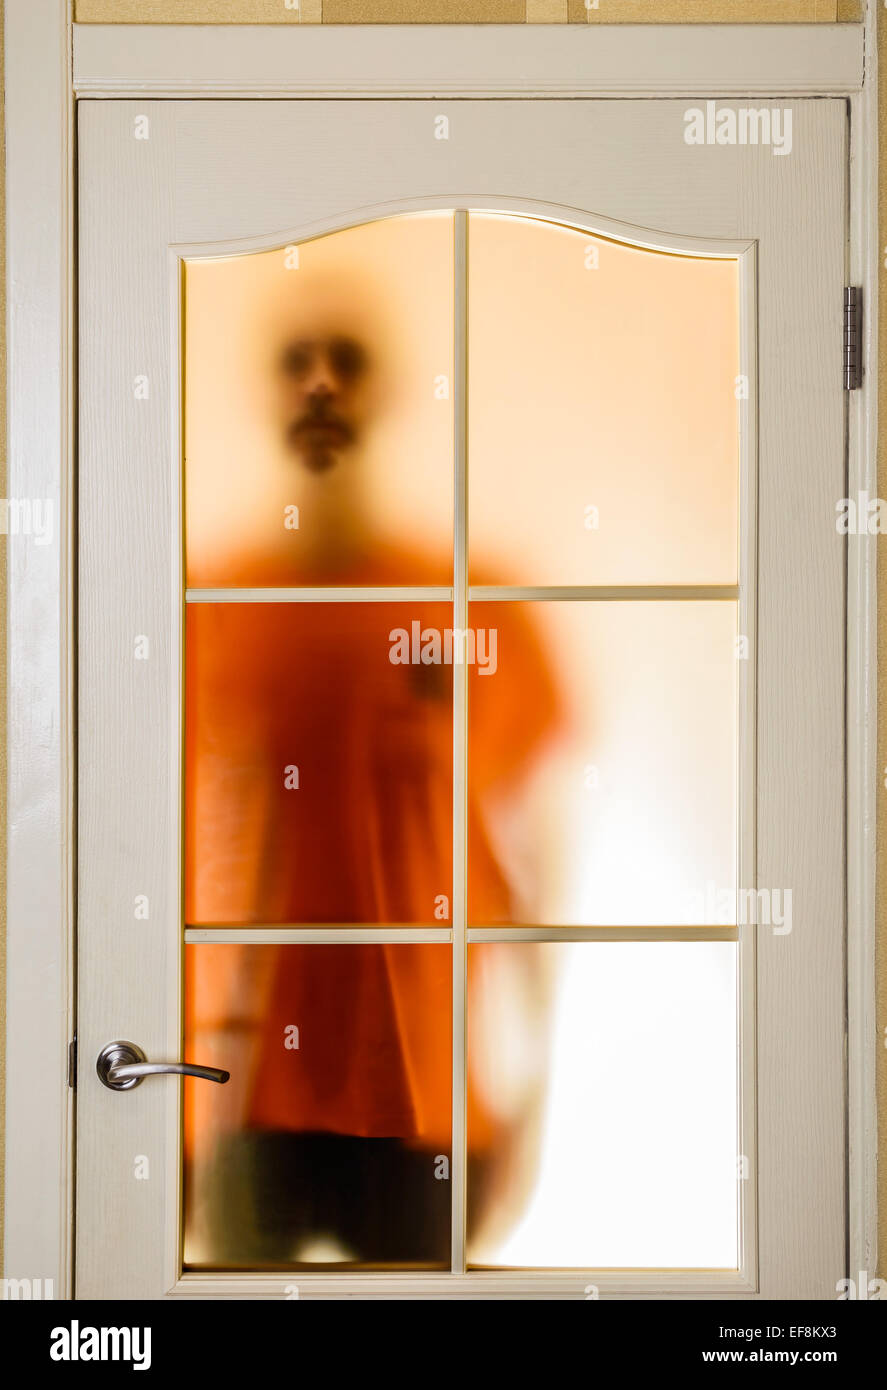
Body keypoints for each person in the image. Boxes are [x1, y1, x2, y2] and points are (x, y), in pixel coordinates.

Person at [183, 271, 562, 1268]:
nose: (318, 384)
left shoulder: (474, 606)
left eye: (343, 358)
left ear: (383, 386)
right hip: (236, 1103)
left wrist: (538, 1076)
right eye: (292, 360)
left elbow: (531, 853)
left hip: (428, 1108)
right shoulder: (201, 610)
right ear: (262, 389)